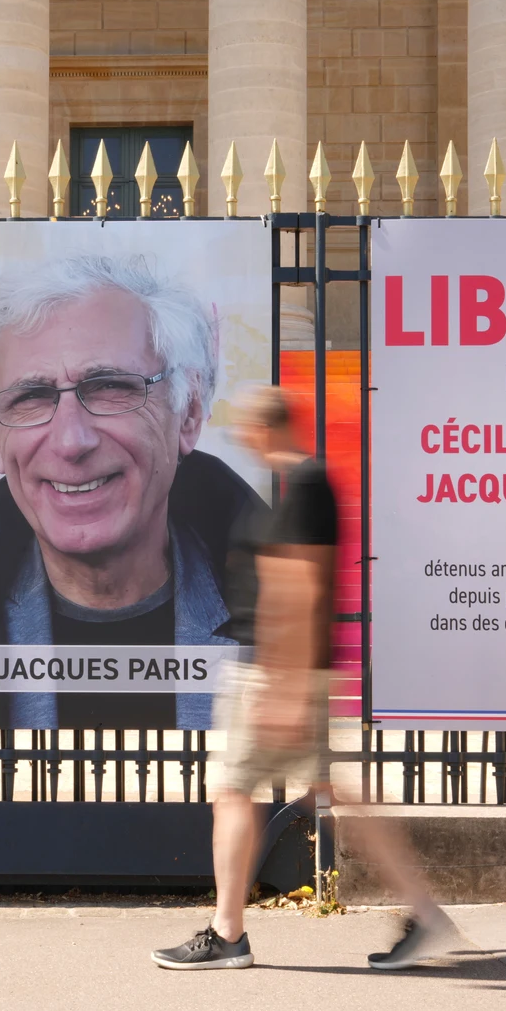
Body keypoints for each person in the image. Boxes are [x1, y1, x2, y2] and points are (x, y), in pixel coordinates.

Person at [151, 385, 458, 972]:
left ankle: (228, 933)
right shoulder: (299, 486)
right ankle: (423, 910)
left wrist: (286, 687)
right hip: (283, 670)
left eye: (247, 427)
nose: (242, 438)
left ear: (266, 428)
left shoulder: (308, 486)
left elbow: (304, 588)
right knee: (325, 791)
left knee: (233, 793)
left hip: (274, 672)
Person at [0, 254, 266, 730]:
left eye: (110, 387)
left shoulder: (288, 620)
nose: (72, 441)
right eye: (31, 397)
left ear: (189, 413)